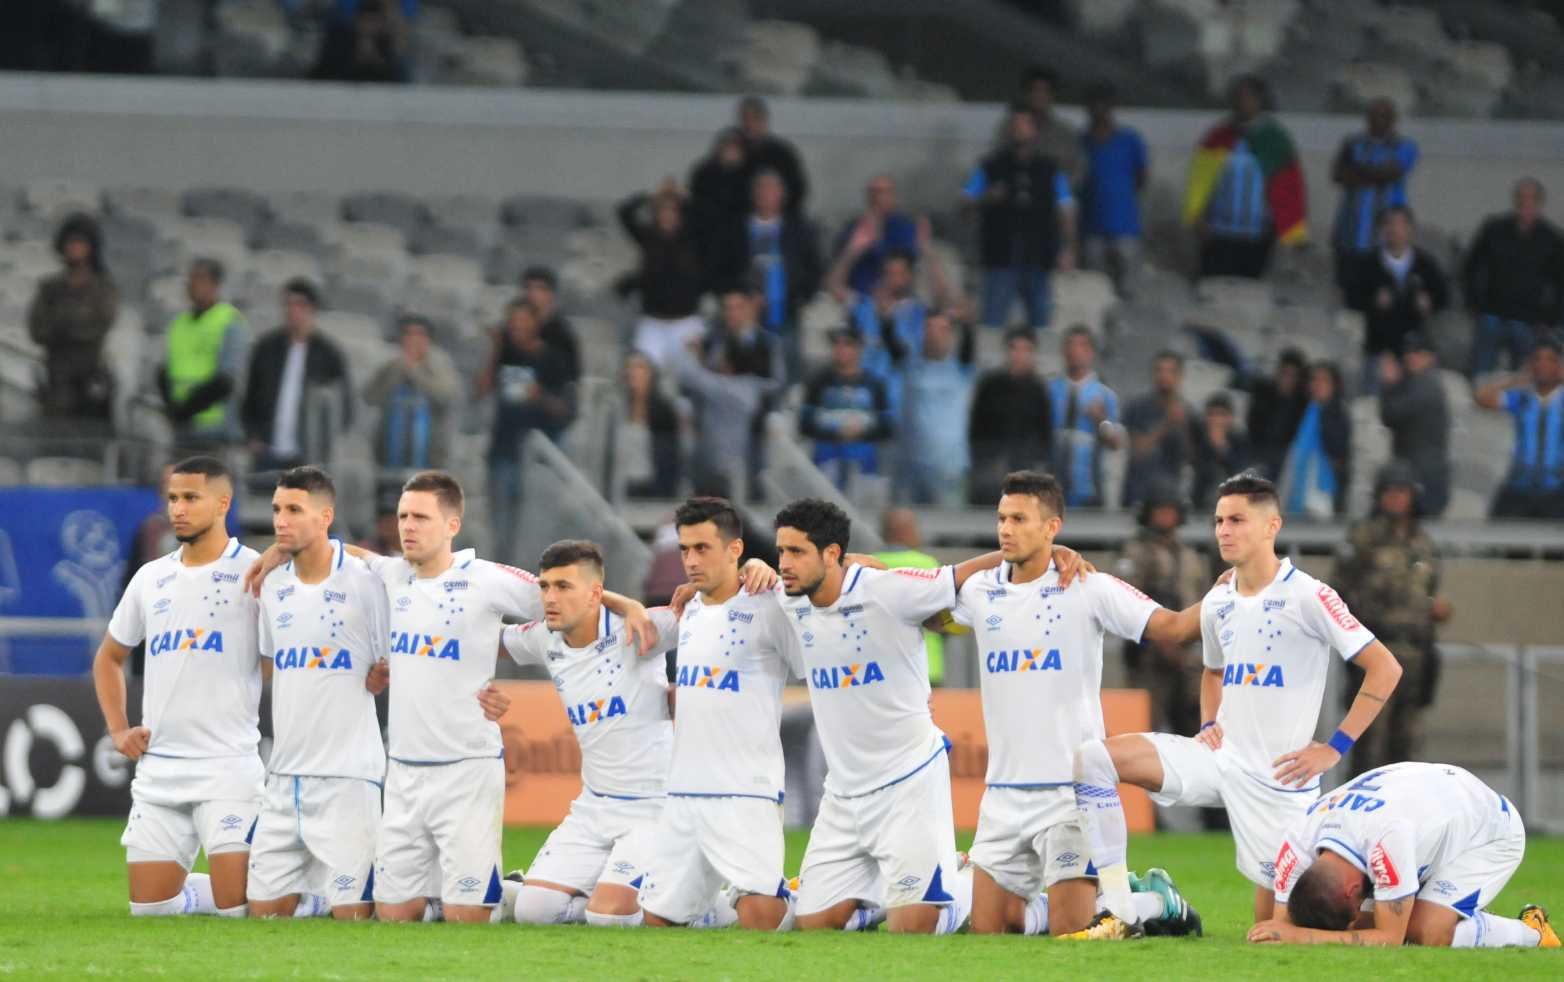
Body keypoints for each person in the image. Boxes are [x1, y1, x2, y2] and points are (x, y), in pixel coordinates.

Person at [242, 470, 656, 924]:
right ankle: (464, 892)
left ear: (452, 526)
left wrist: (627, 604)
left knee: (468, 919)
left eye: (420, 517)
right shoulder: (391, 574)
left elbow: (570, 596)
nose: (408, 527)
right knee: (392, 915)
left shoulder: (485, 579)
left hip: (466, 770)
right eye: (402, 517)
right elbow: (344, 552)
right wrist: (280, 548)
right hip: (403, 774)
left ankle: (504, 894)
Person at [1071, 472, 1403, 937]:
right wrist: (1209, 720)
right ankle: (1122, 908)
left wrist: (1333, 748)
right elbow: (1212, 670)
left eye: (1237, 520)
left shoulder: (1308, 595)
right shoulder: (1219, 599)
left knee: (1274, 932)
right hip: (1218, 759)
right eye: (1219, 520)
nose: (1224, 530)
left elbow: (1386, 668)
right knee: (1093, 760)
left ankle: (1444, 923)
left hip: (1278, 782)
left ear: (1272, 527)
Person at [955, 471, 1204, 938]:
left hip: (1067, 795)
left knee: (1073, 936)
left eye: (1019, 519)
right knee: (990, 930)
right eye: (1001, 518)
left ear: (1052, 528)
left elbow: (1171, 628)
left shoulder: (1089, 587)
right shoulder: (978, 590)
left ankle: (1151, 901)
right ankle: (1118, 896)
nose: (1006, 529)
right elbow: (914, 596)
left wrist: (1231, 596)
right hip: (1003, 795)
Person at [774, 498, 994, 935]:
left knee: (913, 928)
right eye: (780, 551)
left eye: (796, 552)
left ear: (832, 554)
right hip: (843, 793)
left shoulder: (886, 589)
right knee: (813, 925)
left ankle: (971, 882)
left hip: (907, 780)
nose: (784, 564)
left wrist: (1044, 555)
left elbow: (962, 574)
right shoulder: (787, 599)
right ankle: (902, 887)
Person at [92, 456, 262, 918]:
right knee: (151, 911)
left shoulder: (256, 573)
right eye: (172, 498)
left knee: (240, 908)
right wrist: (118, 729)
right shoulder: (151, 577)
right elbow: (109, 657)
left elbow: (277, 661)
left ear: (223, 503)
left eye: (191, 498)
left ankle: (300, 887)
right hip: (161, 768)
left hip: (227, 766)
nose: (178, 509)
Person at [639, 497, 803, 931]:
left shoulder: (770, 605)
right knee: (656, 923)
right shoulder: (687, 608)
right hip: (684, 792)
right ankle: (714, 909)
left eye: (702, 548)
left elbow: (816, 662)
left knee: (762, 920)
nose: (690, 560)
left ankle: (823, 901)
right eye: (685, 549)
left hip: (744, 790)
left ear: (735, 550)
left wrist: (776, 579)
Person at [500, 540, 681, 928]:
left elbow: (715, 615)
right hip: (593, 807)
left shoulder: (640, 628)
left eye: (564, 586)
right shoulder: (543, 638)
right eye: (545, 586)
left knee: (609, 918)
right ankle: (623, 896)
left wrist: (753, 567)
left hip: (655, 807)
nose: (550, 596)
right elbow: (481, 642)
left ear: (595, 593)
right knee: (534, 912)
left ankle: (712, 905)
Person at [248, 467, 388, 920]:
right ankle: (318, 895)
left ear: (325, 516)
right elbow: (274, 665)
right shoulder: (271, 585)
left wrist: (387, 671)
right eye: (276, 510)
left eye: (294, 510)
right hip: (284, 777)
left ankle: (443, 896)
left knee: (355, 915)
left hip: (348, 777)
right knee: (263, 912)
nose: (280, 521)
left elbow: (400, 657)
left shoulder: (368, 580)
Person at [1251, 762, 1557, 949]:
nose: (1358, 910)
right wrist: (1285, 931)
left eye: (1354, 906)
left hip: (1488, 830)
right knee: (1366, 924)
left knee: (1426, 931)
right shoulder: (1298, 838)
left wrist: (1303, 938)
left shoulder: (1387, 841)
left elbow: (1390, 938)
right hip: (1429, 804)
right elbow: (1282, 924)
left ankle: (1532, 931)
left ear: (1352, 890)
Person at [1333, 462, 1451, 775]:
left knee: (1408, 745)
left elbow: (1431, 588)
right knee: (1370, 742)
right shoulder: (1363, 538)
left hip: (1416, 652)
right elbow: (1338, 593)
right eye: (1391, 492)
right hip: (1375, 651)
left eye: (1403, 492)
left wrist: (1436, 608)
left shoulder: (1423, 543)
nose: (1397, 499)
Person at [477, 298, 579, 562]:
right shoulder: (503, 355)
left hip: (537, 456)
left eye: (523, 321)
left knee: (533, 524)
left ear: (536, 324)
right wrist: (495, 350)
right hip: (503, 448)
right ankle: (501, 571)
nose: (517, 327)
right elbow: (480, 391)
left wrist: (539, 396)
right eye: (513, 322)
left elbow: (565, 410)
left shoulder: (552, 358)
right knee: (500, 524)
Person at [965, 103, 1078, 330]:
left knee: (1041, 326)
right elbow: (965, 205)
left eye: (1025, 124)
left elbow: (1065, 208)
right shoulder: (990, 166)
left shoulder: (1051, 169)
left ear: (1035, 130)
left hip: (1039, 255)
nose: (1020, 129)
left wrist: (1068, 248)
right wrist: (987, 197)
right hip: (1000, 257)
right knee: (992, 325)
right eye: (1015, 124)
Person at [1184, 75, 1306, 279]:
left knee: (1249, 295)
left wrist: (1291, 232)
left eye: (1248, 97)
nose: (1242, 102)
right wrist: (1196, 217)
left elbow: (1288, 187)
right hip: (1218, 234)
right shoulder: (1218, 136)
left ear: (1260, 100)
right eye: (1237, 97)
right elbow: (1199, 181)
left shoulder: (1275, 139)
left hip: (1256, 235)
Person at [1116, 482, 1211, 740]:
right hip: (1148, 656)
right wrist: (1162, 641)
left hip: (1188, 657)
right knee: (1146, 731)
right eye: (1159, 510)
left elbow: (1204, 601)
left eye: (1170, 510)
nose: (1165, 516)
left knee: (1195, 730)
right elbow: (1127, 602)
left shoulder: (1190, 555)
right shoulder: (1135, 552)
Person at [672, 286, 784, 497]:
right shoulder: (713, 339)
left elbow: (776, 384)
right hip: (712, 423)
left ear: (752, 308)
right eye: (728, 308)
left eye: (738, 307)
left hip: (753, 428)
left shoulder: (766, 343)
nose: (733, 313)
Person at [826, 239, 951, 416]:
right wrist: (853, 249)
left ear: (909, 276)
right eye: (888, 273)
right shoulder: (865, 306)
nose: (892, 278)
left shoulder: (918, 313)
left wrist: (929, 254)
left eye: (898, 273)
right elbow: (833, 286)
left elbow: (943, 299)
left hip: (901, 408)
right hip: (864, 406)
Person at [241, 279, 354, 473]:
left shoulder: (329, 355)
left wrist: (324, 446)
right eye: (288, 304)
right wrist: (252, 436)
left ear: (313, 308)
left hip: (308, 456)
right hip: (266, 452)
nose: (292, 311)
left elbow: (343, 407)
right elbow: (249, 397)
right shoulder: (266, 348)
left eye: (299, 304)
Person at [1463, 178, 1564, 376]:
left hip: (1528, 320)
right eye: (1521, 198)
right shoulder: (1494, 230)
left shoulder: (1551, 239)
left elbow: (1561, 283)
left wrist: (1550, 319)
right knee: (1482, 373)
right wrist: (1474, 303)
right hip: (1491, 314)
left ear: (1539, 203)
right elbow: (1470, 267)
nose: (1525, 203)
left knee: (1524, 376)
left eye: (1531, 199)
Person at [710, 169, 822, 346]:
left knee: (786, 366)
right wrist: (739, 297)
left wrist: (799, 297)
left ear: (781, 194)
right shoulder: (734, 229)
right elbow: (719, 268)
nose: (764, 193)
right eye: (760, 188)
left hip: (786, 315)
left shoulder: (799, 229)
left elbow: (814, 268)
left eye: (770, 189)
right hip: (742, 316)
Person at [1344, 206, 1448, 393]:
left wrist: (1429, 302)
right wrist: (1372, 301)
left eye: (1400, 224)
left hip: (1415, 350)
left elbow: (1444, 297)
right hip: (1379, 348)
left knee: (1414, 407)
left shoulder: (1425, 263)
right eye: (1389, 224)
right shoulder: (1368, 262)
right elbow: (1351, 298)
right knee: (1373, 405)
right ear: (1382, 230)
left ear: (1410, 229)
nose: (1394, 229)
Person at [27, 212, 118, 425]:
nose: (74, 247)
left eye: (80, 241)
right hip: (56, 380)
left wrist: (61, 323)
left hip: (90, 381)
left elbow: (97, 325)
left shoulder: (103, 287)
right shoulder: (49, 287)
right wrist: (71, 322)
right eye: (70, 241)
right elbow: (37, 329)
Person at [159, 258, 249, 449]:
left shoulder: (229, 321)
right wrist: (172, 408)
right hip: (181, 429)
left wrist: (187, 409)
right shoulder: (179, 323)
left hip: (214, 429)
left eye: (200, 278)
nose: (192, 284)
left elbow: (226, 380)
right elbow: (167, 369)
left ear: (215, 284)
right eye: (191, 279)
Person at [892, 307, 976, 506]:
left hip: (951, 468)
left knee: (949, 530)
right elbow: (891, 343)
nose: (934, 334)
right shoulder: (911, 366)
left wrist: (966, 322)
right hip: (912, 466)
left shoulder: (960, 368)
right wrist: (888, 319)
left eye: (942, 329)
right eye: (929, 328)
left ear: (950, 336)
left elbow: (970, 343)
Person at [1331, 99, 1419, 286]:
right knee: (1347, 292)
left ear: (1393, 120)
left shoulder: (1405, 146)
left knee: (1377, 291)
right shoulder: (1351, 143)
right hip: (1348, 233)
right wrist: (1373, 174)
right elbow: (1338, 175)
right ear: (1367, 118)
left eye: (1384, 116)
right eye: (1374, 115)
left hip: (1383, 236)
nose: (1379, 120)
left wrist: (1356, 171)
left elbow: (1389, 174)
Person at [1474, 335, 1564, 519]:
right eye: (1537, 359)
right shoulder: (1522, 398)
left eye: (1550, 360)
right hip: (1520, 486)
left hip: (1557, 489)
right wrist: (1519, 378)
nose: (1543, 365)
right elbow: (1480, 397)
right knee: (1509, 537)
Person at [619, 182, 706, 368]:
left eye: (672, 211)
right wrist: (650, 196)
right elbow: (624, 213)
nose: (667, 216)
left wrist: (682, 196)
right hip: (652, 322)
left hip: (685, 322)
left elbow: (707, 213)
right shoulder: (648, 238)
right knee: (642, 370)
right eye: (662, 211)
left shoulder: (693, 238)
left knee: (689, 377)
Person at [798, 328, 895, 490]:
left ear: (859, 349)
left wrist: (861, 433)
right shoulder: (818, 381)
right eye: (837, 344)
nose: (840, 349)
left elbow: (886, 428)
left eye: (847, 344)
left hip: (864, 463)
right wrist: (837, 433)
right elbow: (805, 424)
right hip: (826, 460)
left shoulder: (875, 384)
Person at [364, 315, 461, 471]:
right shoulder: (391, 366)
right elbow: (370, 397)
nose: (412, 339)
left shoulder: (440, 368)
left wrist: (415, 371)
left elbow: (446, 396)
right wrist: (396, 372)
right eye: (408, 334)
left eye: (419, 334)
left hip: (429, 455)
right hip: (389, 454)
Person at [967, 329, 1053, 505]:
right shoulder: (989, 386)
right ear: (1006, 351)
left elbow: (1044, 435)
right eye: (1014, 348)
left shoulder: (1038, 391)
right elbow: (976, 429)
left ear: (1033, 354)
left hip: (1025, 470)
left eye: (1025, 349)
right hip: (990, 470)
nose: (1019, 355)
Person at [1079, 83, 1149, 289]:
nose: (1099, 109)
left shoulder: (1130, 140)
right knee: (1095, 288)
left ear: (1112, 107)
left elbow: (1141, 177)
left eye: (1104, 104)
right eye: (1094, 104)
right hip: (1091, 229)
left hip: (1125, 228)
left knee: (1129, 287)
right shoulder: (1081, 143)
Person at [1048, 326, 1123, 508]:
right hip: (1052, 481)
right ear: (1063, 351)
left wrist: (1101, 420)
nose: (1075, 351)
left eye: (1082, 346)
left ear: (1091, 352)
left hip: (1089, 483)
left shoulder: (1105, 394)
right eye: (1071, 345)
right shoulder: (1050, 390)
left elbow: (1116, 443)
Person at [1377, 334, 1451, 516]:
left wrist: (1388, 384)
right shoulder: (1416, 382)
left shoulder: (1425, 385)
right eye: (1408, 352)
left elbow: (1390, 415)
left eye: (1417, 352)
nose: (1410, 356)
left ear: (1431, 357)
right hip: (1419, 472)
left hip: (1423, 475)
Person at [875, 508, 946, 687]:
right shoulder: (927, 565)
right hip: (925, 667)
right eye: (915, 528)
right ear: (904, 532)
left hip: (878, 671)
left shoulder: (866, 566)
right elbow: (945, 618)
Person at [1122, 351, 1198, 509]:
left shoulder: (1190, 412)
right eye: (1159, 370)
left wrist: (1183, 427)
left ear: (1180, 376)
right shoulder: (1137, 407)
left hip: (1171, 495)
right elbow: (1137, 451)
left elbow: (1192, 459)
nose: (1164, 376)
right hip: (1138, 493)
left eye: (1170, 371)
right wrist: (1166, 424)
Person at [1278, 362, 1351, 518]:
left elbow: (1338, 450)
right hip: (1300, 486)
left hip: (1323, 490)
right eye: (1314, 380)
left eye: (1324, 380)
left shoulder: (1338, 413)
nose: (1318, 385)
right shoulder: (1303, 412)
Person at [832, 175, 921, 295]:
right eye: (875, 192)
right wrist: (853, 250)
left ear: (894, 197)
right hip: (858, 298)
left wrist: (878, 235)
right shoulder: (852, 229)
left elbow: (905, 268)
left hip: (896, 300)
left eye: (886, 192)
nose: (879, 197)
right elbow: (834, 278)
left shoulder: (904, 227)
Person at [618, 352, 681, 499]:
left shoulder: (664, 411)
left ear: (650, 374)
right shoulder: (617, 409)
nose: (633, 372)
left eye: (639, 367)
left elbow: (671, 457)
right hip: (621, 486)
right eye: (630, 367)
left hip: (652, 487)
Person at [736, 95, 808, 216]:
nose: (750, 124)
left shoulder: (782, 153)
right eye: (745, 119)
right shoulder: (733, 151)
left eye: (755, 118)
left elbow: (797, 189)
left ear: (764, 121)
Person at [1245, 348, 1309, 480]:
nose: (1287, 379)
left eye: (1293, 375)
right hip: (1258, 452)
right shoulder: (1263, 393)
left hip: (1285, 458)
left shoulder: (1302, 402)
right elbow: (1253, 424)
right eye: (1284, 373)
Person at [687, 127, 750, 260]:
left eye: (735, 147)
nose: (731, 151)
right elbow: (698, 205)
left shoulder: (749, 176)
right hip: (707, 240)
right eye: (728, 146)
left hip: (739, 243)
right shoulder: (703, 173)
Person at [1013, 65, 1084, 184]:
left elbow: (1079, 169)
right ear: (1026, 93)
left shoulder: (1065, 134)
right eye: (1034, 90)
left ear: (1052, 95)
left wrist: (1060, 192)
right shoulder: (1011, 129)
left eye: (1045, 91)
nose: (1039, 95)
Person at [311, 0, 408, 83]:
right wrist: (357, 56)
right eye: (366, 20)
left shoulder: (385, 42)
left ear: (381, 23)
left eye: (373, 21)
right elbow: (326, 70)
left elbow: (395, 76)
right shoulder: (340, 38)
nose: (369, 26)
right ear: (357, 20)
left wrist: (376, 60)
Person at [1191, 393, 1252, 511]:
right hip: (1200, 493)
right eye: (1212, 414)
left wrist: (1223, 448)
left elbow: (1240, 470)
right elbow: (1196, 467)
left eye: (1222, 415)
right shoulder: (1198, 437)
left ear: (1230, 418)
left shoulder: (1239, 439)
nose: (1217, 420)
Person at [521, 267, 582, 381]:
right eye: (528, 288)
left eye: (539, 288)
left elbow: (570, 379)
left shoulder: (562, 334)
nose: (532, 294)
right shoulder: (516, 328)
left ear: (551, 294)